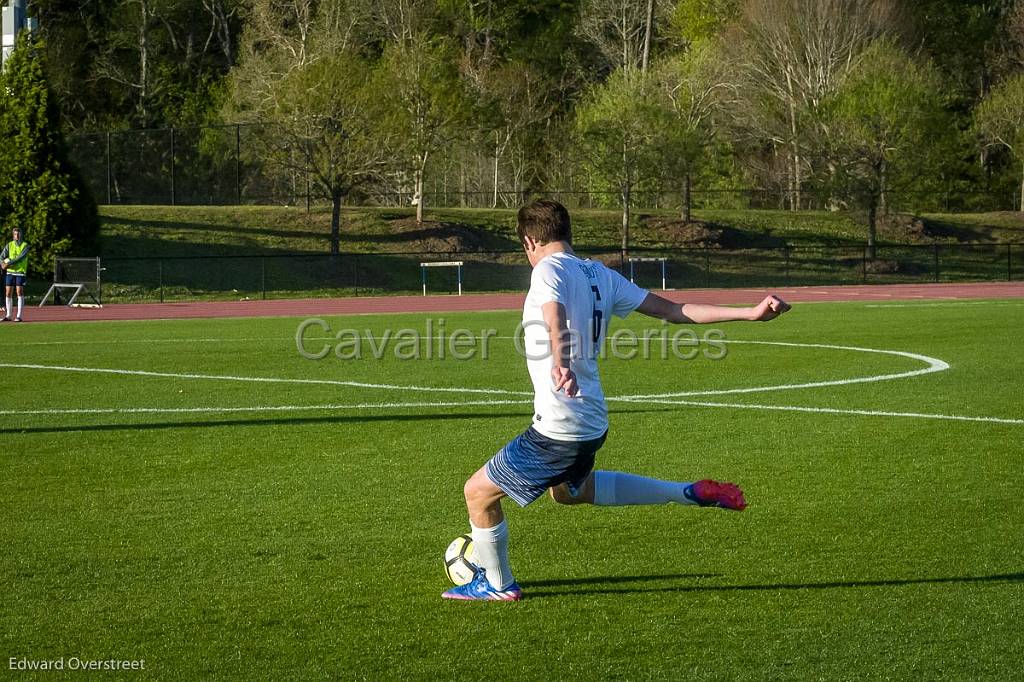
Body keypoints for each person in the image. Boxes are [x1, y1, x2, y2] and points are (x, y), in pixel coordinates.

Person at [442, 199, 791, 602]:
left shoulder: (546, 271)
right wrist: (748, 313)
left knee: (478, 493)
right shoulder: (599, 274)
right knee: (569, 492)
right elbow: (674, 310)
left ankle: (497, 585)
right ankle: (686, 492)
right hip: (592, 420)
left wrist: (562, 361)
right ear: (568, 233)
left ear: (529, 240)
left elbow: (553, 311)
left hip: (561, 424)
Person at [1, 227, 30, 322]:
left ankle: (19, 316)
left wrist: (8, 263)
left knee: (19, 292)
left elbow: (20, 258)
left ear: (21, 234)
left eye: (18, 234)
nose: (16, 236)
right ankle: (8, 315)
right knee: (8, 293)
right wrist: (2, 264)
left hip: (20, 272)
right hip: (10, 272)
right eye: (15, 234)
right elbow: (1, 256)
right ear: (12, 235)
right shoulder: (9, 245)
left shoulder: (25, 246)